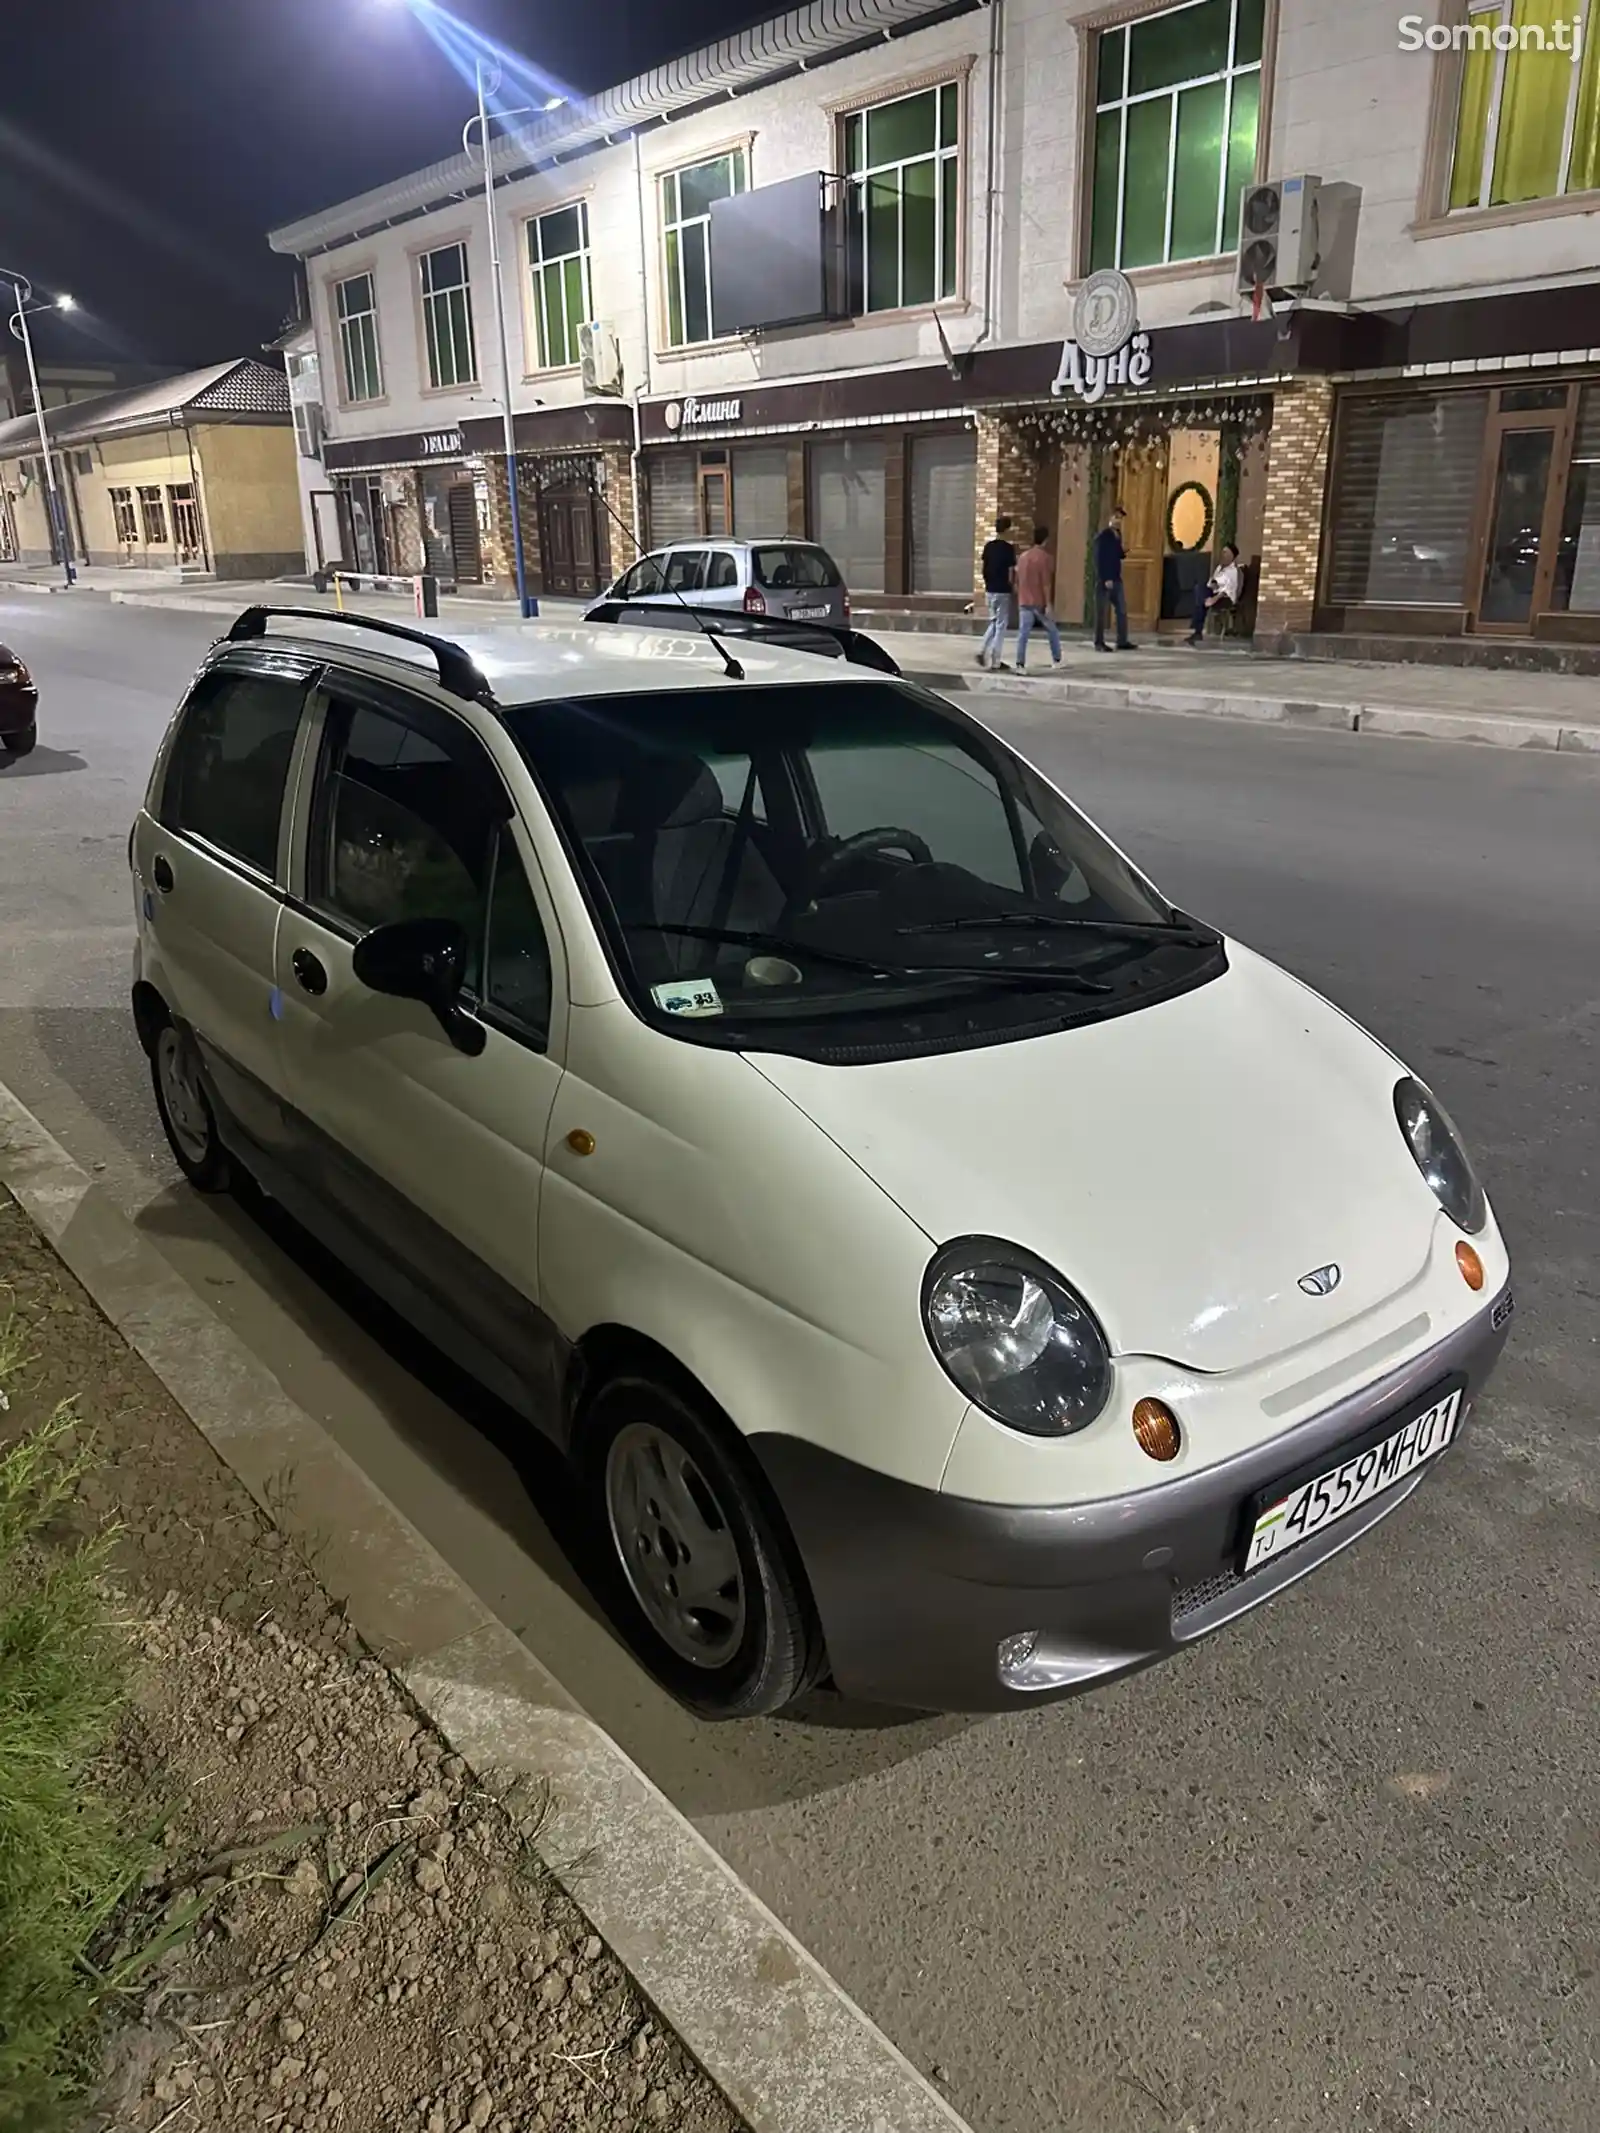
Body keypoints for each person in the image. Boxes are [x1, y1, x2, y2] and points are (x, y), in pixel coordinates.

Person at [1014, 526, 1062, 672]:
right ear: (1045, 540)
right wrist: (1048, 603)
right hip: (1039, 601)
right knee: (1052, 630)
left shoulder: (1022, 557)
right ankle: (1056, 659)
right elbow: (1046, 583)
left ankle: (1020, 663)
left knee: (1023, 633)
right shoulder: (1045, 558)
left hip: (1024, 600)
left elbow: (1016, 580)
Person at [977, 515, 1017, 669]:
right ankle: (995, 660)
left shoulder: (989, 547)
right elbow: (1011, 571)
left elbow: (984, 568)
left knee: (994, 622)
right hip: (1002, 590)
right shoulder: (1008, 548)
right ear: (1007, 530)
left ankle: (982, 650)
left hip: (990, 589)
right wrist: (1012, 586)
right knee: (1001, 625)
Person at [1093, 505, 1134, 651]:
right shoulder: (1103, 536)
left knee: (1122, 610)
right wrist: (1106, 578)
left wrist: (1123, 552)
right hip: (1105, 579)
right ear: (1109, 518)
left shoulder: (1117, 535)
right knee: (1102, 612)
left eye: (1121, 518)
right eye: (1116, 517)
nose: (1119, 521)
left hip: (1117, 578)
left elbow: (1116, 555)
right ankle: (1099, 642)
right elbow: (1100, 558)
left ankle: (1122, 641)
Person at [1187, 542, 1242, 644]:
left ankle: (1197, 631)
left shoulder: (1233, 571)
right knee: (1199, 589)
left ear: (1232, 556)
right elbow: (1212, 583)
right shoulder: (1219, 568)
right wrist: (1211, 589)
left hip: (1225, 598)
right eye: (1223, 552)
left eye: (1226, 553)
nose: (1223, 555)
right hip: (1214, 593)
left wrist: (1213, 600)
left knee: (1201, 603)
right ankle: (1197, 630)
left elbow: (1227, 590)